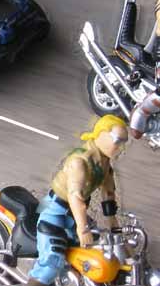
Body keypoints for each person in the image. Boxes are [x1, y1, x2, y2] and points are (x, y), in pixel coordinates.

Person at [26, 115, 128, 286]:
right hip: (55, 211)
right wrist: (83, 228)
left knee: (97, 248)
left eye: (124, 142)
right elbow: (75, 196)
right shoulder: (80, 162)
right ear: (102, 135)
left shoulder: (104, 163)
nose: (121, 148)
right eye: (118, 141)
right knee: (51, 262)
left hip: (74, 214)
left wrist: (114, 226)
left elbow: (108, 193)